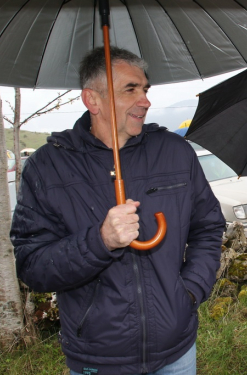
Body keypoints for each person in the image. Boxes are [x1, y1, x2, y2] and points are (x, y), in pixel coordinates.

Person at [11, 47, 225, 375]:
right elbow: (33, 266)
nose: (145, 100)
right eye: (130, 89)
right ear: (92, 100)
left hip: (176, 351)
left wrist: (191, 291)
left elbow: (208, 226)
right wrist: (100, 241)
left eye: (145, 89)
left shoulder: (175, 153)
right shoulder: (46, 169)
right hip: (98, 360)